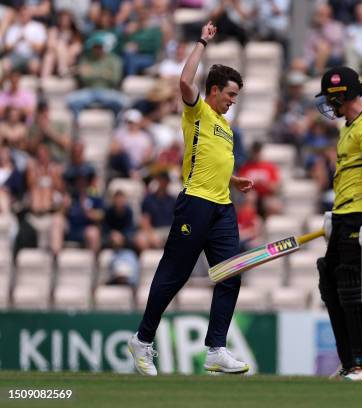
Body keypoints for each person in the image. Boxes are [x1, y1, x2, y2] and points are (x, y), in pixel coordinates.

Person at [128, 21, 254, 376]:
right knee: (175, 274)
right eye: (229, 95)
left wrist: (233, 178)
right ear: (213, 91)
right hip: (196, 202)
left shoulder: (226, 128)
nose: (232, 102)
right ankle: (142, 339)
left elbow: (209, 158)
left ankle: (216, 349)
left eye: (236, 97)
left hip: (222, 206)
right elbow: (184, 82)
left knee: (231, 274)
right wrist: (202, 41)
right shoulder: (196, 111)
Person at [315, 66, 362, 381]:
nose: (329, 105)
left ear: (342, 95)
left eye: (332, 99)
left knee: (352, 287)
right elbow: (348, 176)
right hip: (345, 213)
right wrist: (335, 211)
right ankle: (350, 362)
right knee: (330, 282)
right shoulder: (347, 128)